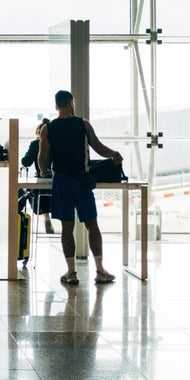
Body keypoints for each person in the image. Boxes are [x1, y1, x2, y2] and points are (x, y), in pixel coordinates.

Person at [37, 90, 123, 285]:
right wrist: (113, 154)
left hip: (62, 181)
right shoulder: (83, 124)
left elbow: (43, 157)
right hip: (82, 181)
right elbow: (97, 146)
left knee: (67, 228)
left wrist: (43, 171)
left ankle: (71, 272)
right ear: (71, 104)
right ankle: (100, 270)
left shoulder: (47, 129)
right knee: (92, 225)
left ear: (56, 106)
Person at [21, 118, 54, 234]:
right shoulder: (59, 143)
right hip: (57, 182)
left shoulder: (36, 144)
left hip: (41, 181)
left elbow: (25, 162)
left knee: (30, 190)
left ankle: (45, 215)